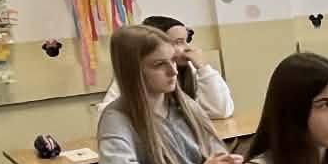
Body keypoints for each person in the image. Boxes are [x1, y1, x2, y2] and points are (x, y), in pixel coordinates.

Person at [96, 24, 242, 164]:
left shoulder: (186, 106)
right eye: (159, 65)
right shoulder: (116, 118)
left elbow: (216, 155)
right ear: (133, 70)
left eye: (173, 60)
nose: (173, 71)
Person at [96, 13, 235, 118]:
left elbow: (220, 110)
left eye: (186, 41)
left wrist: (203, 68)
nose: (188, 48)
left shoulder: (190, 69)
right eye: (178, 42)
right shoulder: (135, 73)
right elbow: (106, 117)